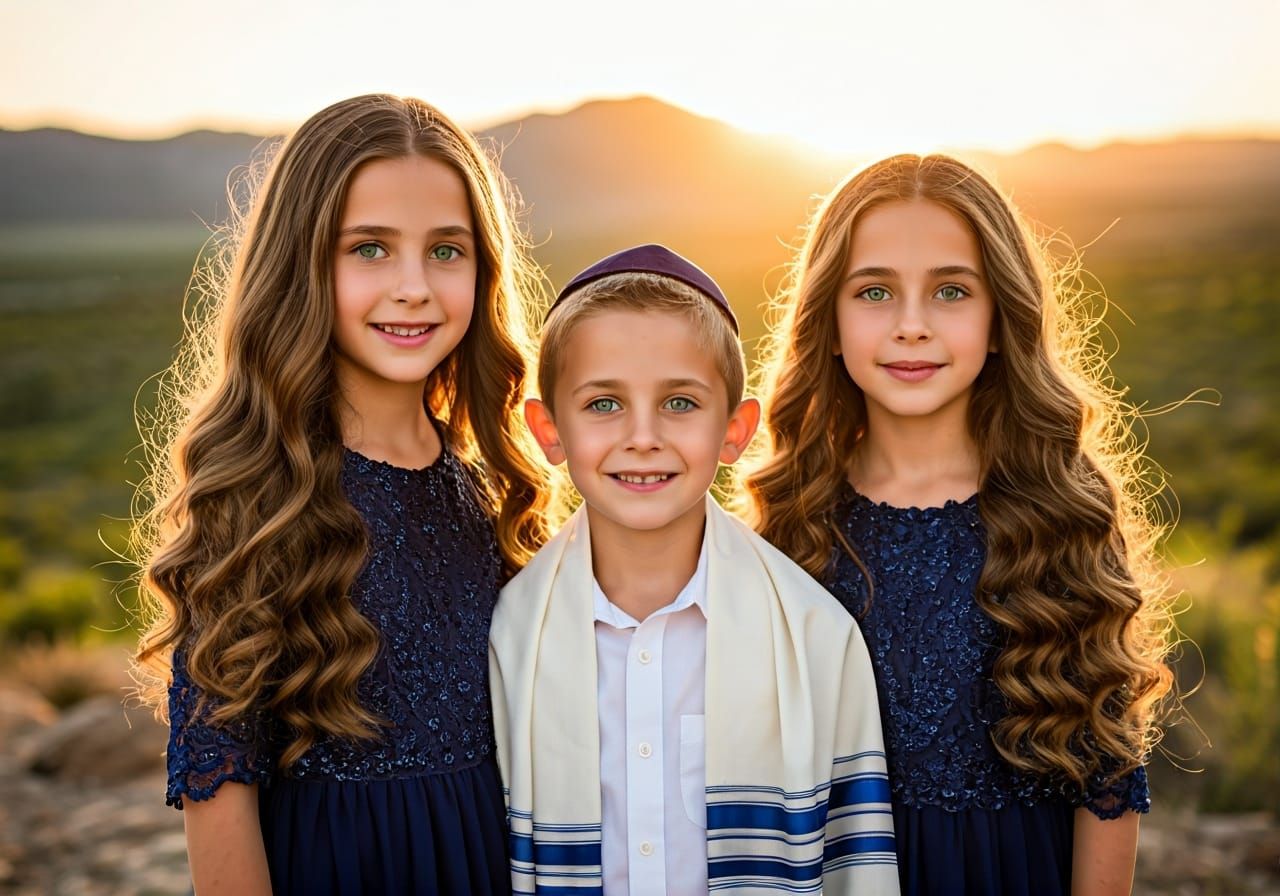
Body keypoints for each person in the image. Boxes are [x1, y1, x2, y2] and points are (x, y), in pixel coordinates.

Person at [131, 94, 551, 894]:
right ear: (302, 263)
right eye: (369, 249)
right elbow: (218, 790)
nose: (414, 287)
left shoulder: (496, 490)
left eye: (447, 251)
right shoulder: (259, 498)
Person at [743, 154, 1173, 895]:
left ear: (1001, 318)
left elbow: (1107, 769)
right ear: (832, 326)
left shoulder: (1061, 509)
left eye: (950, 291)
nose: (912, 326)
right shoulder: (790, 521)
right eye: (875, 291)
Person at [489, 244, 900, 895]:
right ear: (548, 431)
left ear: (735, 430)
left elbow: (857, 869)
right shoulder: (507, 638)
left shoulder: (816, 634)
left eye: (680, 403)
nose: (643, 436)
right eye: (603, 404)